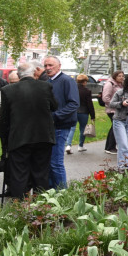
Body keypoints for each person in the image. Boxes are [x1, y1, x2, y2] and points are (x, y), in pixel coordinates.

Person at [0, 63, 57, 199]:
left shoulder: (8, 90)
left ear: (18, 74)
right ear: (34, 73)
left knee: (19, 174)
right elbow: (54, 106)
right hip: (43, 137)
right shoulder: (45, 86)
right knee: (41, 173)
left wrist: (4, 139)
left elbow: (5, 118)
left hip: (19, 138)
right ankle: (42, 206)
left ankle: (20, 207)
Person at [42, 56, 79, 189]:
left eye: (50, 65)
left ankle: (62, 193)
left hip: (60, 126)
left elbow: (74, 103)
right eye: (45, 65)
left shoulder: (66, 81)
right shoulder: (47, 81)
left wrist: (55, 116)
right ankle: (52, 191)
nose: (48, 68)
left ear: (59, 65)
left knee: (56, 162)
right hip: (48, 127)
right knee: (49, 161)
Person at [108, 74, 128, 169]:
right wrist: (121, 104)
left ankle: (124, 165)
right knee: (123, 145)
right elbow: (111, 104)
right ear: (127, 84)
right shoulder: (120, 93)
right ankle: (123, 167)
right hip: (119, 120)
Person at [101, 71, 123, 155]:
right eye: (119, 76)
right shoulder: (110, 84)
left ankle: (110, 146)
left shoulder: (120, 85)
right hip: (112, 110)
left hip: (119, 109)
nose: (121, 77)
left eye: (122, 76)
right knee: (115, 127)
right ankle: (110, 147)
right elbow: (106, 98)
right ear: (115, 77)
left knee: (114, 127)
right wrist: (115, 104)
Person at [74, 74, 96, 153]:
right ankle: (80, 146)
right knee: (83, 129)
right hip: (84, 112)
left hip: (74, 112)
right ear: (84, 82)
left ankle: (68, 145)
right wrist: (92, 115)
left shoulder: (73, 90)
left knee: (71, 129)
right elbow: (90, 104)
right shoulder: (87, 91)